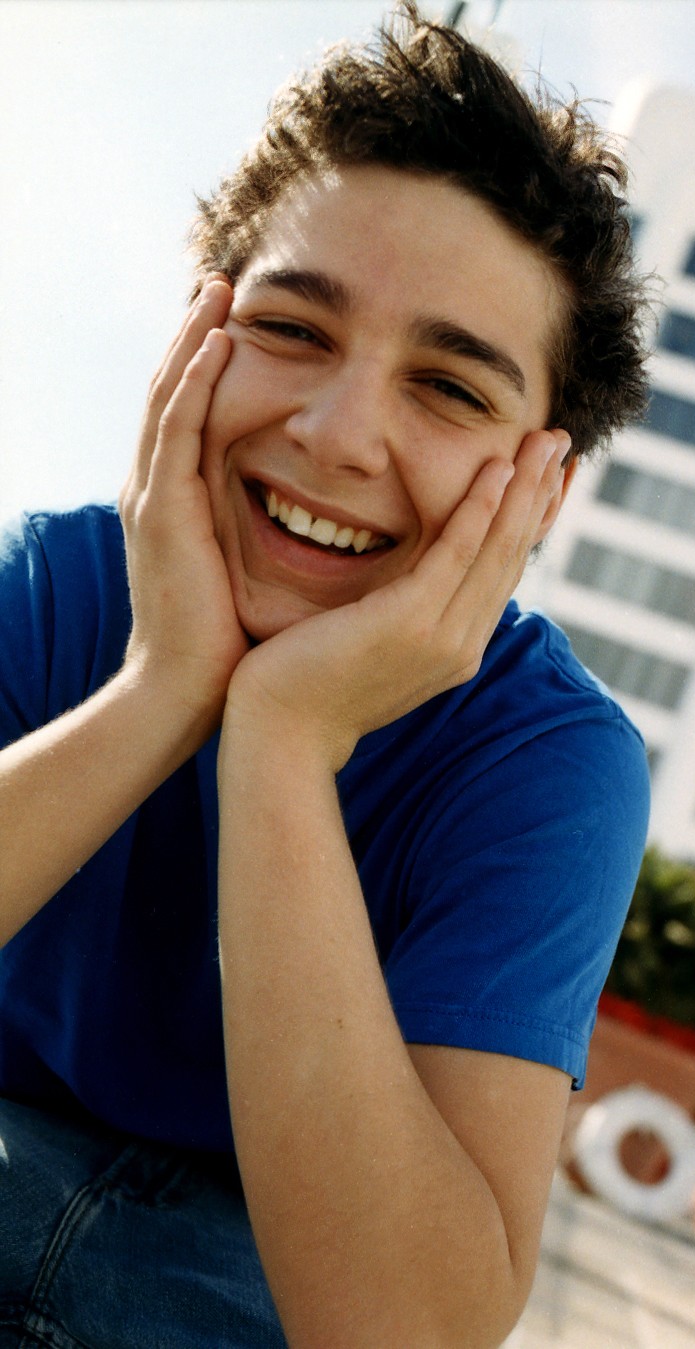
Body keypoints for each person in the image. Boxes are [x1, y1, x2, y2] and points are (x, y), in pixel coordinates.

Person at [0, 4, 651, 1346]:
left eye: (451, 389)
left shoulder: (547, 763)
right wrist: (163, 685)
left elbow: (403, 1325)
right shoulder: (57, 583)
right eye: (294, 327)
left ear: (542, 490)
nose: (340, 433)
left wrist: (283, 738)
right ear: (196, 339)